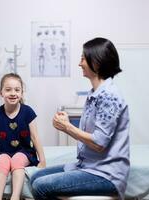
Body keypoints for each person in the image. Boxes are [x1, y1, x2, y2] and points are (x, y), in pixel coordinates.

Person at [30, 37, 130, 200]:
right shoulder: (95, 93)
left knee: (40, 186)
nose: (79, 63)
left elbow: (99, 143)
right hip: (88, 167)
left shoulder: (109, 96)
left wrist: (67, 127)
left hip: (106, 174)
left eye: (83, 58)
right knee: (34, 178)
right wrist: (67, 123)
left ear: (96, 63)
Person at [0, 73, 46, 200]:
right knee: (2, 162)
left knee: (17, 160)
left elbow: (35, 137)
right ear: (1, 93)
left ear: (22, 93)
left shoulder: (28, 112)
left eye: (17, 90)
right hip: (4, 151)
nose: (13, 93)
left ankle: (15, 197)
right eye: (8, 89)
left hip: (25, 151)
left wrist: (42, 160)